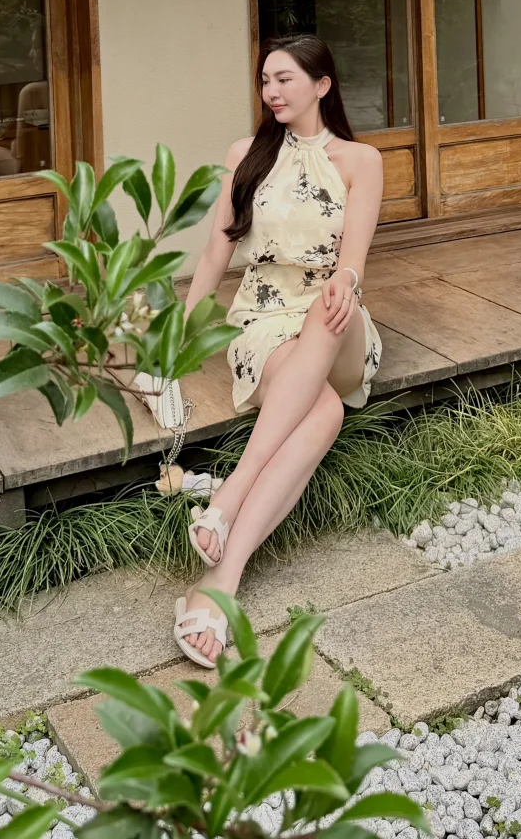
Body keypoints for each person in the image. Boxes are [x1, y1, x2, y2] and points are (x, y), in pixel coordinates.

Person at [173, 34, 384, 668]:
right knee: (324, 413)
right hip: (263, 323)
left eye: (285, 78)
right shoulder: (246, 155)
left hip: (337, 321)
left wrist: (345, 281)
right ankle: (223, 580)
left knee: (327, 305)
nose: (271, 91)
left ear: (322, 85)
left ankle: (230, 494)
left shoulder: (360, 160)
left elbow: (353, 260)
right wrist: (180, 335)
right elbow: (216, 253)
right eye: (266, 80)